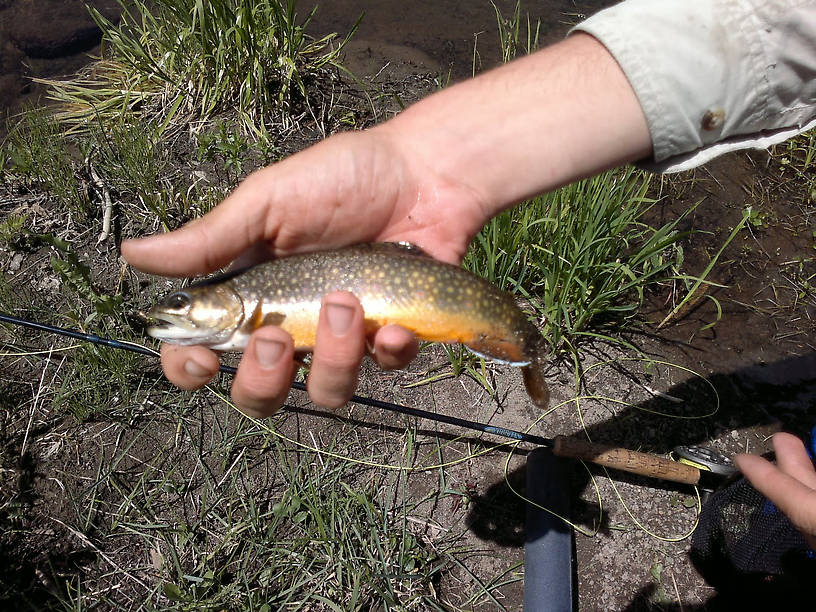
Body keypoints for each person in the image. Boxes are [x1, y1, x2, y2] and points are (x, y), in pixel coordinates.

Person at [122, 0, 816, 552]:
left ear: (221, 298)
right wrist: (417, 159)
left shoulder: (255, 300)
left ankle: (518, 341)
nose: (179, 317)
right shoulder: (253, 295)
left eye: (187, 306)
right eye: (184, 312)